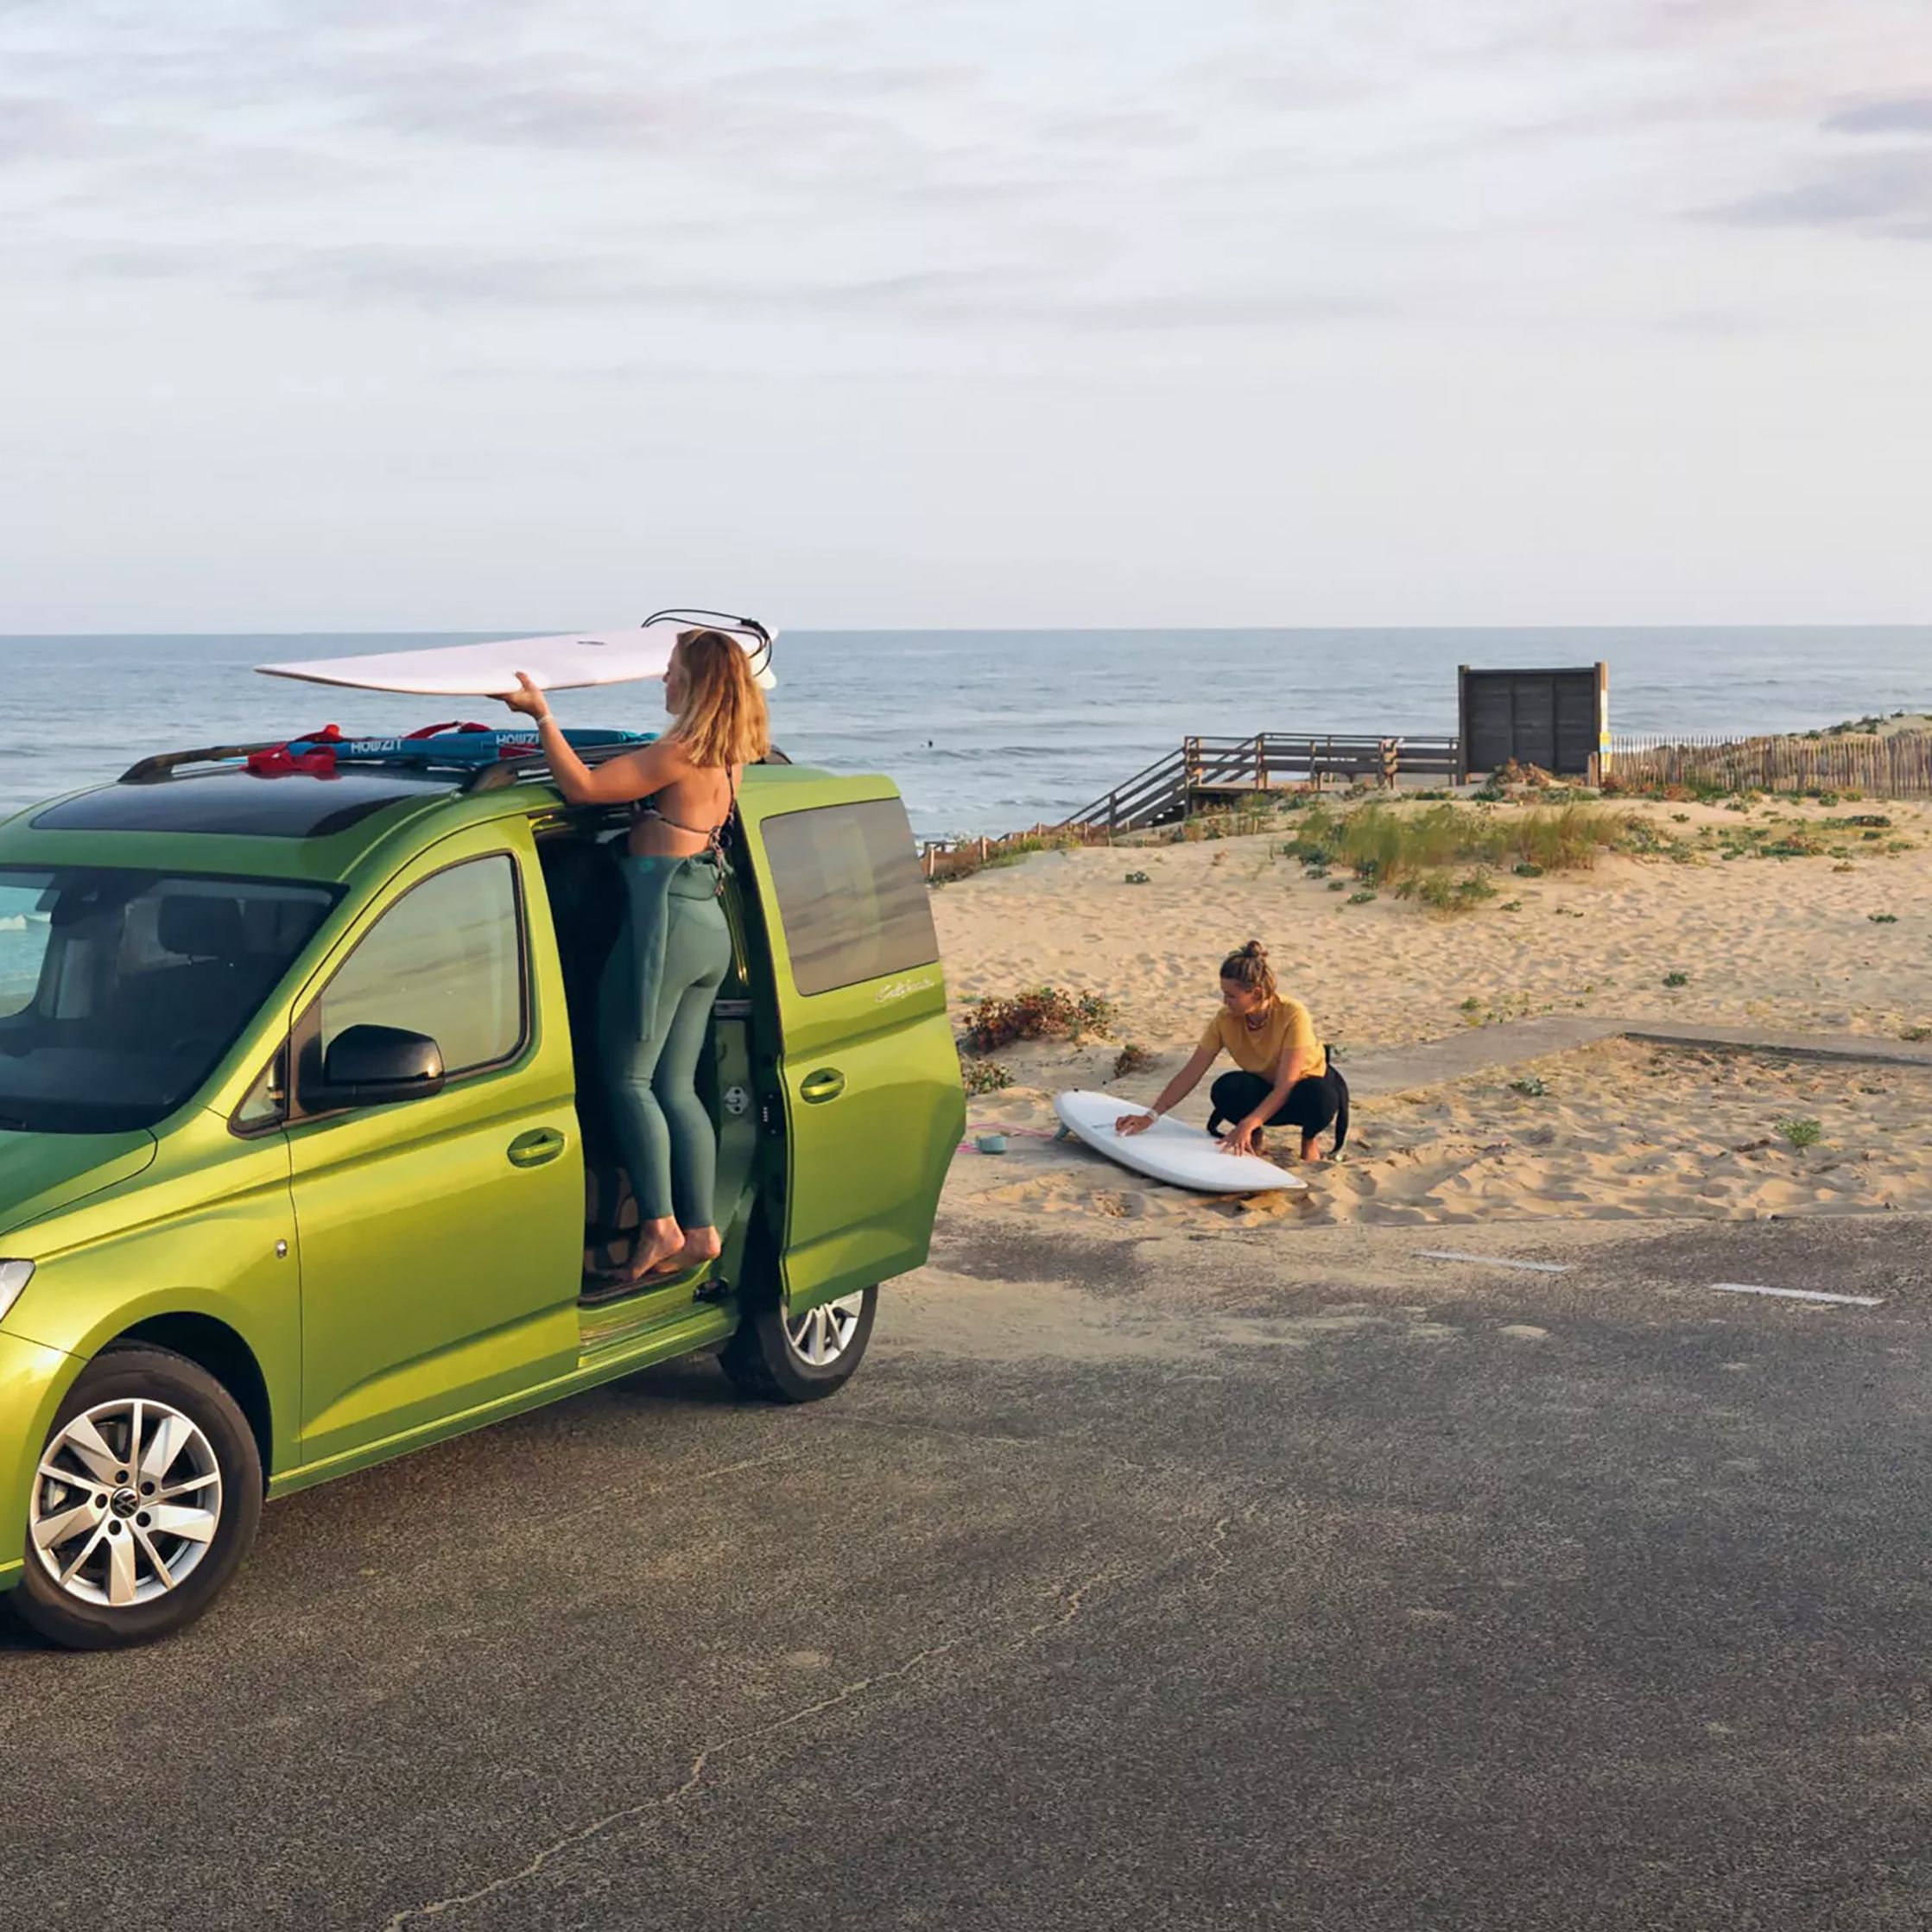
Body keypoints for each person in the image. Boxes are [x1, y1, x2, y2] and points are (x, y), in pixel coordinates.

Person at [501, 630, 770, 1282]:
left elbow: (583, 789)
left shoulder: (678, 753)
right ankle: (701, 1229)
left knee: (627, 1079)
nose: (663, 680)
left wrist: (542, 716)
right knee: (677, 1088)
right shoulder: (730, 756)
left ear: (696, 682)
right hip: (706, 917)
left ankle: (659, 1224)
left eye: (671, 670)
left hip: (664, 921)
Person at [1114, 941, 1349, 1162]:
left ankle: (1309, 1140)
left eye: (1231, 996)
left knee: (1320, 1097)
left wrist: (1248, 1122)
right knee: (1226, 1088)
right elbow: (1192, 1071)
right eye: (1223, 994)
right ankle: (1255, 1137)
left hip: (1302, 1088)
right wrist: (1151, 1116)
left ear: (1257, 993)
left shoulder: (1292, 1014)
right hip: (1262, 1085)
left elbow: (1285, 1084)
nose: (1225, 1002)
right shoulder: (1224, 1020)